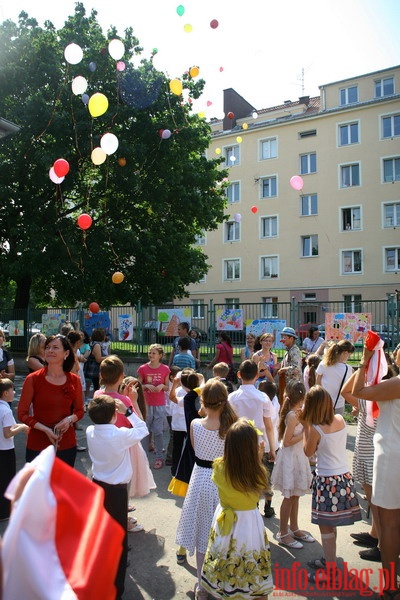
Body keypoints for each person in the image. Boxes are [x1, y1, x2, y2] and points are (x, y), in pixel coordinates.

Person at [175, 379, 237, 600]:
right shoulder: (232, 427)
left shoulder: (195, 425)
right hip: (224, 482)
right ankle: (222, 581)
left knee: (203, 533)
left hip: (200, 480)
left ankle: (202, 585)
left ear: (203, 401)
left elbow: (195, 449)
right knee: (224, 535)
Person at [201, 418, 274, 599]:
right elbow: (258, 493)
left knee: (224, 555)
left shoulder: (219, 466)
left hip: (225, 517)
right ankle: (253, 590)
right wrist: (257, 459)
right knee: (250, 557)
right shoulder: (258, 472)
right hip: (249, 522)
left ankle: (224, 588)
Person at [86, 394, 149, 600]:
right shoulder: (119, 434)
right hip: (116, 491)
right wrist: (128, 411)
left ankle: (100, 579)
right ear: (114, 414)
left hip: (98, 487)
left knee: (100, 536)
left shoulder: (90, 430)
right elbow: (142, 429)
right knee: (118, 540)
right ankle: (115, 590)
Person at [352, 345, 400, 600]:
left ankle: (391, 587)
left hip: (393, 456)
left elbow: (357, 392)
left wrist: (364, 362)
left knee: (389, 524)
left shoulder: (397, 383)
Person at [301, 385, 361, 585]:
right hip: (343, 477)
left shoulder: (316, 428)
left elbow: (307, 452)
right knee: (331, 525)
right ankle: (329, 560)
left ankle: (330, 571)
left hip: (326, 480)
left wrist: (305, 428)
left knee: (325, 527)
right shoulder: (341, 420)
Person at [95, 356, 155, 532]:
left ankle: (112, 515)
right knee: (123, 486)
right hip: (124, 446)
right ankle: (122, 520)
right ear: (121, 376)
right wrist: (133, 401)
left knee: (108, 483)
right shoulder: (125, 401)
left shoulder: (98, 394)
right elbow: (140, 422)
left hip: (104, 445)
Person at [18, 335, 84, 466]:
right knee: (38, 486)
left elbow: (80, 410)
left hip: (65, 443)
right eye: (47, 347)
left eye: (55, 347)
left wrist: (69, 419)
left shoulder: (74, 380)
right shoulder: (33, 379)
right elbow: (22, 414)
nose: (50, 350)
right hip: (37, 444)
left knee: (62, 486)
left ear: (66, 353)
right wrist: (45, 429)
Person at [228, 360, 276, 521]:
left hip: (237, 443)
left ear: (239, 375)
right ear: (257, 375)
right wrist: (273, 448)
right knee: (261, 475)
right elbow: (269, 426)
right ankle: (263, 505)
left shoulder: (232, 397)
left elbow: (228, 424)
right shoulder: (263, 397)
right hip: (260, 443)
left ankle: (246, 506)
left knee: (241, 476)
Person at [271, 380, 314, 549]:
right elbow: (287, 441)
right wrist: (305, 434)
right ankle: (283, 533)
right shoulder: (292, 415)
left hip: (298, 456)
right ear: (302, 397)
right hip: (290, 458)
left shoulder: (299, 412)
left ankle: (294, 528)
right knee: (289, 497)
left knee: (295, 495)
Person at [137, 344, 170, 469]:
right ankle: (143, 457)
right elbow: (137, 384)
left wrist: (162, 386)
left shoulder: (165, 369)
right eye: (150, 352)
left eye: (154, 353)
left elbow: (167, 386)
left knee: (158, 431)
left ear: (160, 355)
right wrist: (145, 386)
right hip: (146, 404)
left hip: (160, 404)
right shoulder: (143, 368)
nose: (151, 355)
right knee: (145, 430)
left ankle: (159, 457)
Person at [0, 379, 29, 520]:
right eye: (12, 390)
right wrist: (23, 427)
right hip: (5, 450)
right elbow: (8, 433)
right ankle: (4, 512)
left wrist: (20, 425)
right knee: (6, 480)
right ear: (6, 393)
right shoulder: (6, 410)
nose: (14, 392)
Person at [257, 380, 280, 518]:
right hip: (272, 444)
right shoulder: (275, 403)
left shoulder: (262, 406)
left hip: (262, 445)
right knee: (267, 478)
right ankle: (268, 507)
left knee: (256, 476)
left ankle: (255, 505)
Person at [316, 339, 354, 415]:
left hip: (323, 402)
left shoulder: (323, 364)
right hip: (338, 403)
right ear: (345, 353)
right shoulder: (348, 369)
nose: (348, 357)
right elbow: (348, 388)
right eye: (349, 355)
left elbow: (317, 383)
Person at [84, 328, 108, 394]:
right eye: (104, 335)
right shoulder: (97, 345)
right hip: (94, 370)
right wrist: (109, 357)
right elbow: (98, 359)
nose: (105, 337)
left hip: (94, 370)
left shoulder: (95, 343)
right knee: (96, 387)